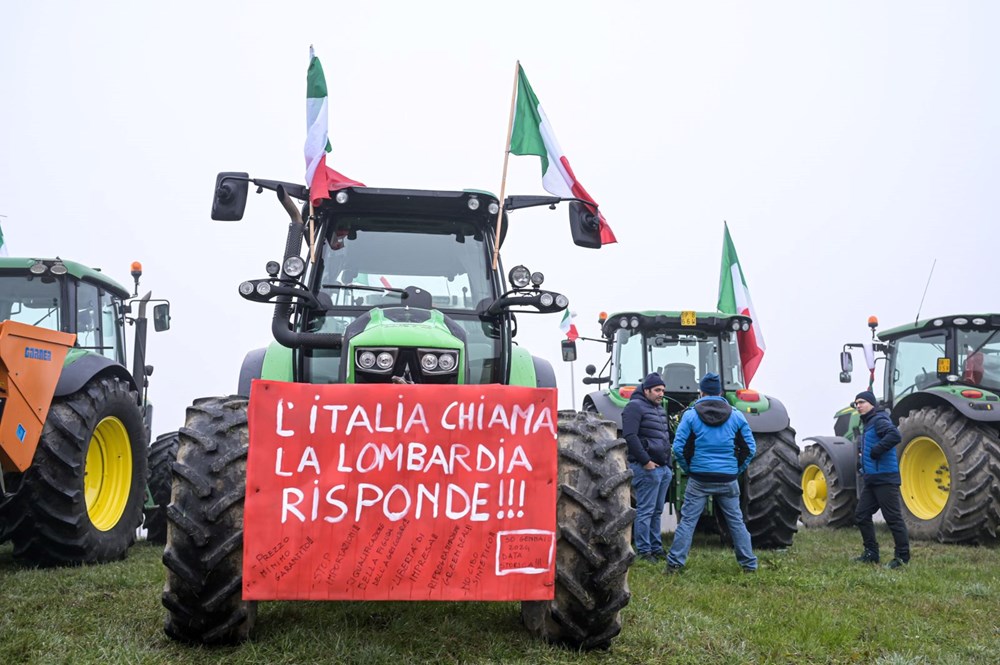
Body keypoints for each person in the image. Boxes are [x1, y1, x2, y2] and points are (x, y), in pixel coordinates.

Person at [666, 372, 757, 573]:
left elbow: (678, 448)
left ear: (701, 392)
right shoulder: (736, 415)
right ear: (721, 392)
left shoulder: (690, 415)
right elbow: (750, 449)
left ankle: (674, 564)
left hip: (699, 478)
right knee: (736, 522)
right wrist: (736, 469)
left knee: (688, 522)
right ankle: (749, 565)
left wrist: (690, 469)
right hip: (728, 479)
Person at [852, 390, 910, 569]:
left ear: (871, 404)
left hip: (885, 478)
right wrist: (862, 465)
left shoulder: (879, 419)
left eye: (862, 402)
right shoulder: (868, 424)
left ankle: (902, 558)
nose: (858, 406)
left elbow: (894, 436)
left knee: (893, 519)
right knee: (861, 515)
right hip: (872, 479)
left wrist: (877, 450)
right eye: (856, 403)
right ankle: (871, 553)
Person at [622, 372, 674, 562]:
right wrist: (646, 462)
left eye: (663, 390)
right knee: (645, 511)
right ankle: (644, 551)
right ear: (646, 390)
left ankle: (656, 547)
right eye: (657, 390)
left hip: (663, 469)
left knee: (657, 511)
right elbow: (630, 436)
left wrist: (668, 466)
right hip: (646, 469)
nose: (661, 394)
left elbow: (664, 437)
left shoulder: (659, 409)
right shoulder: (634, 407)